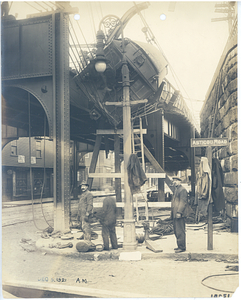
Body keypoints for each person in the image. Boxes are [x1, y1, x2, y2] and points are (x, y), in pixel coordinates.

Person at [171, 176, 188, 253]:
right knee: (176, 230)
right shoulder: (177, 189)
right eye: (173, 181)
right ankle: (179, 246)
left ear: (180, 181)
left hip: (179, 214)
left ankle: (182, 247)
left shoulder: (182, 190)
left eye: (176, 181)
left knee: (180, 231)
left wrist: (179, 212)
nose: (174, 182)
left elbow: (183, 202)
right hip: (175, 214)